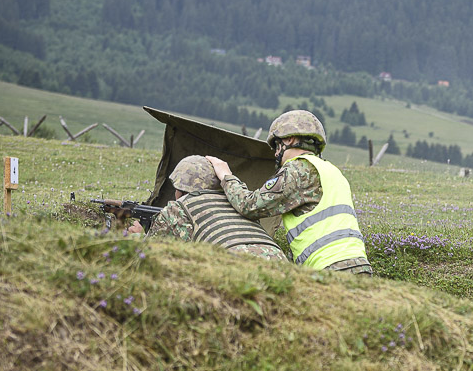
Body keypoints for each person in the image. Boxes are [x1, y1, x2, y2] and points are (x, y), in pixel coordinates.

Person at [205, 110, 372, 275]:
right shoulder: (332, 171)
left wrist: (226, 176)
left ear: (289, 139)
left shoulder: (298, 169)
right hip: (359, 267)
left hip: (329, 269)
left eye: (276, 146)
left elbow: (249, 206)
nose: (276, 153)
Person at [128, 155, 287, 261]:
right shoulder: (238, 203)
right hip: (280, 262)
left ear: (179, 189)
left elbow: (152, 257)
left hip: (233, 266)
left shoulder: (179, 208)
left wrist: (138, 237)